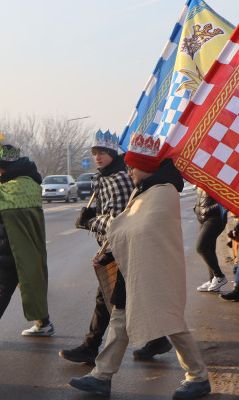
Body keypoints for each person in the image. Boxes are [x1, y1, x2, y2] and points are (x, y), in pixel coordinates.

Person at [69, 133, 210, 400]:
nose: (129, 170)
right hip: (135, 264)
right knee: (120, 317)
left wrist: (94, 223)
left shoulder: (163, 191)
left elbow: (136, 229)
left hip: (156, 269)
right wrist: (109, 253)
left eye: (133, 166)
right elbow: (128, 228)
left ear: (146, 167)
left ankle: (198, 376)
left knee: (171, 322)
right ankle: (102, 376)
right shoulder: (146, 188)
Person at [61, 131, 172, 365]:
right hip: (112, 246)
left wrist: (90, 221)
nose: (98, 157)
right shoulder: (103, 178)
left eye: (102, 153)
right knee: (123, 296)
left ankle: (92, 349)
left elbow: (120, 220)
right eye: (94, 153)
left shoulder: (120, 179)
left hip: (122, 246)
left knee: (109, 298)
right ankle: (158, 339)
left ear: (112, 153)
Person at [0, 144, 52, 342]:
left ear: (5, 166)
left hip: (14, 245)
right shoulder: (24, 181)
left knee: (2, 286)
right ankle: (43, 323)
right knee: (26, 282)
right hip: (18, 245)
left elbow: (4, 212)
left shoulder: (20, 184)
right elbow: (3, 205)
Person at [193, 187, 228, 292]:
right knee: (209, 249)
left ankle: (219, 276)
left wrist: (206, 210)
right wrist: (197, 209)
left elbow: (226, 203)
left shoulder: (216, 181)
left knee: (201, 248)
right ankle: (213, 279)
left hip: (214, 220)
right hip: (205, 220)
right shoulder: (203, 184)